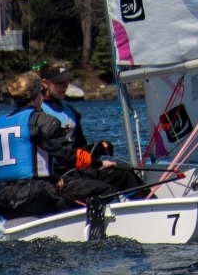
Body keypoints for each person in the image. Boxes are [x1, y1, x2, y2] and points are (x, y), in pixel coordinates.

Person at [38, 61, 145, 203]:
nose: (65, 85)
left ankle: (154, 208)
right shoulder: (38, 113)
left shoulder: (71, 112)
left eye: (67, 81)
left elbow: (80, 150)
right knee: (104, 188)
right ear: (44, 83)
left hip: (76, 171)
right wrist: (98, 164)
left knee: (124, 174)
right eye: (59, 82)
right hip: (57, 176)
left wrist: (99, 148)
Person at [0, 72, 76, 219]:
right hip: (35, 195)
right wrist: (97, 160)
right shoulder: (40, 119)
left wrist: (53, 177)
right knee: (96, 191)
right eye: (41, 92)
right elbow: (67, 156)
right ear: (37, 95)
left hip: (2, 200)